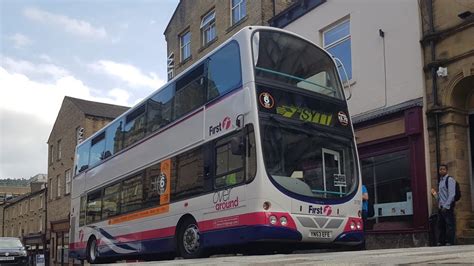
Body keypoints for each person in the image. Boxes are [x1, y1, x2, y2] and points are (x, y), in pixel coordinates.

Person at [431, 164, 456, 246]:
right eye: (440, 169)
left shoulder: (450, 180)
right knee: (441, 225)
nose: (441, 171)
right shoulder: (441, 181)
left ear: (446, 170)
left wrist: (446, 206)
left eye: (443, 169)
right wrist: (435, 195)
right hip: (441, 207)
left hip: (447, 207)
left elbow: (452, 194)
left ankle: (450, 241)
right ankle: (441, 241)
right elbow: (440, 197)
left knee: (449, 225)